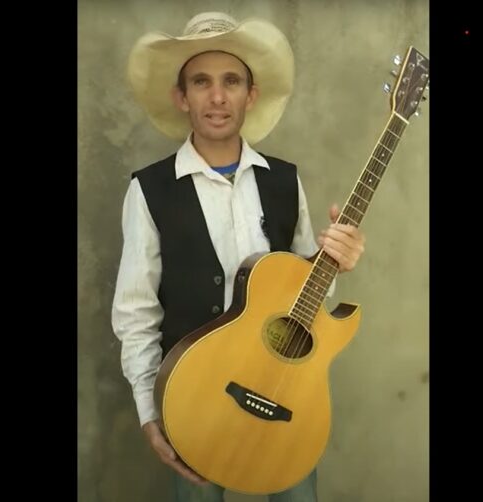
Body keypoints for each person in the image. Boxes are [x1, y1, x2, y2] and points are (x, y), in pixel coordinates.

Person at [112, 11, 366, 501]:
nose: (217, 96)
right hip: (192, 402)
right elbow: (136, 311)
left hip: (285, 394)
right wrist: (149, 411)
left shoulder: (284, 180)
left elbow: (308, 295)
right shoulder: (150, 190)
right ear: (181, 97)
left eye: (231, 81)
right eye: (201, 82)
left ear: (251, 95)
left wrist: (334, 258)